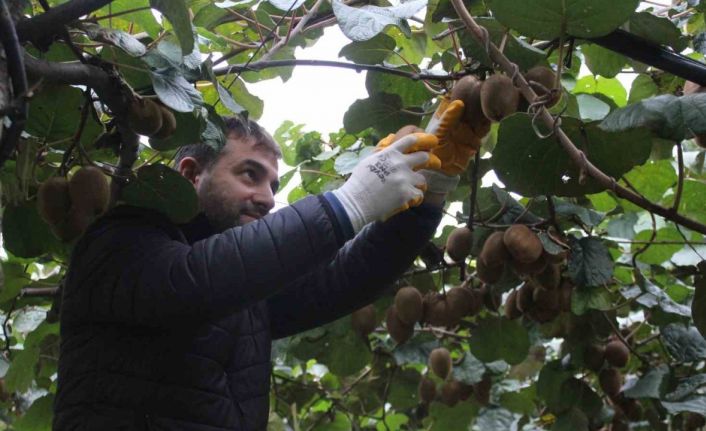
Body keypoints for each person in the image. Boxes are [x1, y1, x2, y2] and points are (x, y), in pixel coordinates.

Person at [52, 99, 475, 430]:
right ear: (190, 174)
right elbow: (194, 280)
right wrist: (349, 202)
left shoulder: (248, 294)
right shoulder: (118, 241)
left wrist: (428, 194)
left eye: (273, 184)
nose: (269, 198)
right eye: (249, 175)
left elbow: (342, 279)